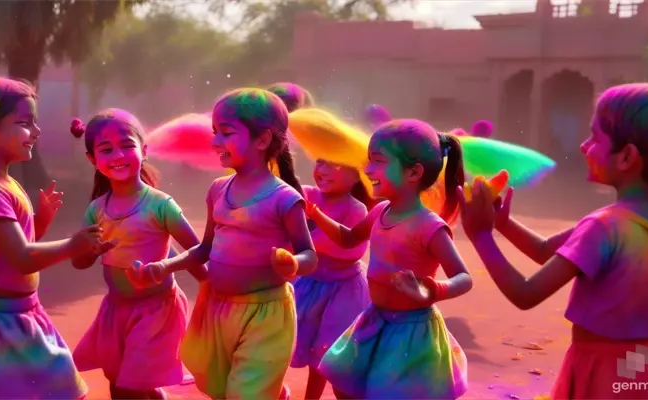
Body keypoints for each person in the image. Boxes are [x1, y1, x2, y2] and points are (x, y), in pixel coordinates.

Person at [458, 82, 648, 399]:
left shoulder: (604, 227)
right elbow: (546, 252)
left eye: (595, 137)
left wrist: (481, 235)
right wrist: (504, 224)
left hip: (603, 368)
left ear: (626, 156)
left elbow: (526, 294)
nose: (584, 146)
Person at [136, 88, 318, 399]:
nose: (215, 142)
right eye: (214, 132)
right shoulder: (218, 189)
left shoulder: (284, 199)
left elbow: (309, 255)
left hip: (265, 315)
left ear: (262, 140)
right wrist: (166, 266)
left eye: (226, 133)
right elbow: (204, 249)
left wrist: (292, 263)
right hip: (217, 310)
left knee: (244, 394)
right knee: (222, 389)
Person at [0, 77, 107, 399]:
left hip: (22, 313)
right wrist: (71, 246)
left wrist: (39, 220)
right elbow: (20, 257)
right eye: (24, 123)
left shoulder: (1, 182)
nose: (36, 131)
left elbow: (12, 245)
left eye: (35, 122)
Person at [310, 119, 472, 398]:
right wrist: (316, 215)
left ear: (413, 172)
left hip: (411, 332)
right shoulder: (381, 210)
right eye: (368, 160)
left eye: (378, 162)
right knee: (344, 384)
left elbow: (464, 277)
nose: (367, 169)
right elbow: (349, 238)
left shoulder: (428, 226)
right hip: (375, 320)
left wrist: (429, 289)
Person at [69, 109, 206, 400]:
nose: (118, 155)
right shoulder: (96, 209)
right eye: (106, 149)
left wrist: (213, 288)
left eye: (127, 146)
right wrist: (90, 251)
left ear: (143, 151)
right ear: (92, 159)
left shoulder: (161, 205)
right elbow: (78, 262)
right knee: (118, 383)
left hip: (156, 311)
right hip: (115, 311)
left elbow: (199, 251)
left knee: (132, 386)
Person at [292, 159, 372, 399]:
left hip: (343, 291)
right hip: (309, 285)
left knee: (330, 352)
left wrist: (310, 240)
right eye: (319, 162)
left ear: (357, 176)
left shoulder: (356, 209)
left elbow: (351, 250)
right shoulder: (305, 194)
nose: (323, 171)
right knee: (307, 345)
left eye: (335, 165)